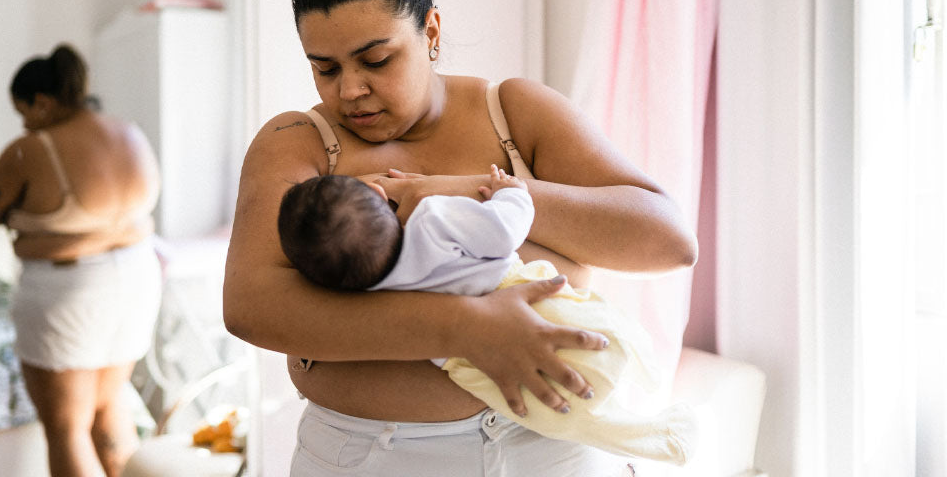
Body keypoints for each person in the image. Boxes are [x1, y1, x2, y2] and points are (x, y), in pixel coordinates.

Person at [223, 0, 698, 476]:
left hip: (551, 453)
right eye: (324, 68)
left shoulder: (515, 114)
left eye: (376, 60)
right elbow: (251, 306)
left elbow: (668, 242)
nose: (349, 90)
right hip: (372, 458)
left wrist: (471, 193)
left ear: (430, 31)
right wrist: (467, 328)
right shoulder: (299, 143)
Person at [278, 166, 696, 465]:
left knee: (573, 421)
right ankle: (649, 377)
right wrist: (510, 191)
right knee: (614, 335)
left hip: (472, 369)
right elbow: (504, 231)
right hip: (532, 303)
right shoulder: (432, 220)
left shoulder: (365, 293)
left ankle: (655, 440)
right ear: (377, 190)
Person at [0, 44, 162, 477]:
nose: (24, 123)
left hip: (71, 290)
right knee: (110, 406)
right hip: (139, 274)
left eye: (24, 112)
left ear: (44, 102)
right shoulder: (127, 132)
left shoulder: (30, 148)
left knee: (66, 427)